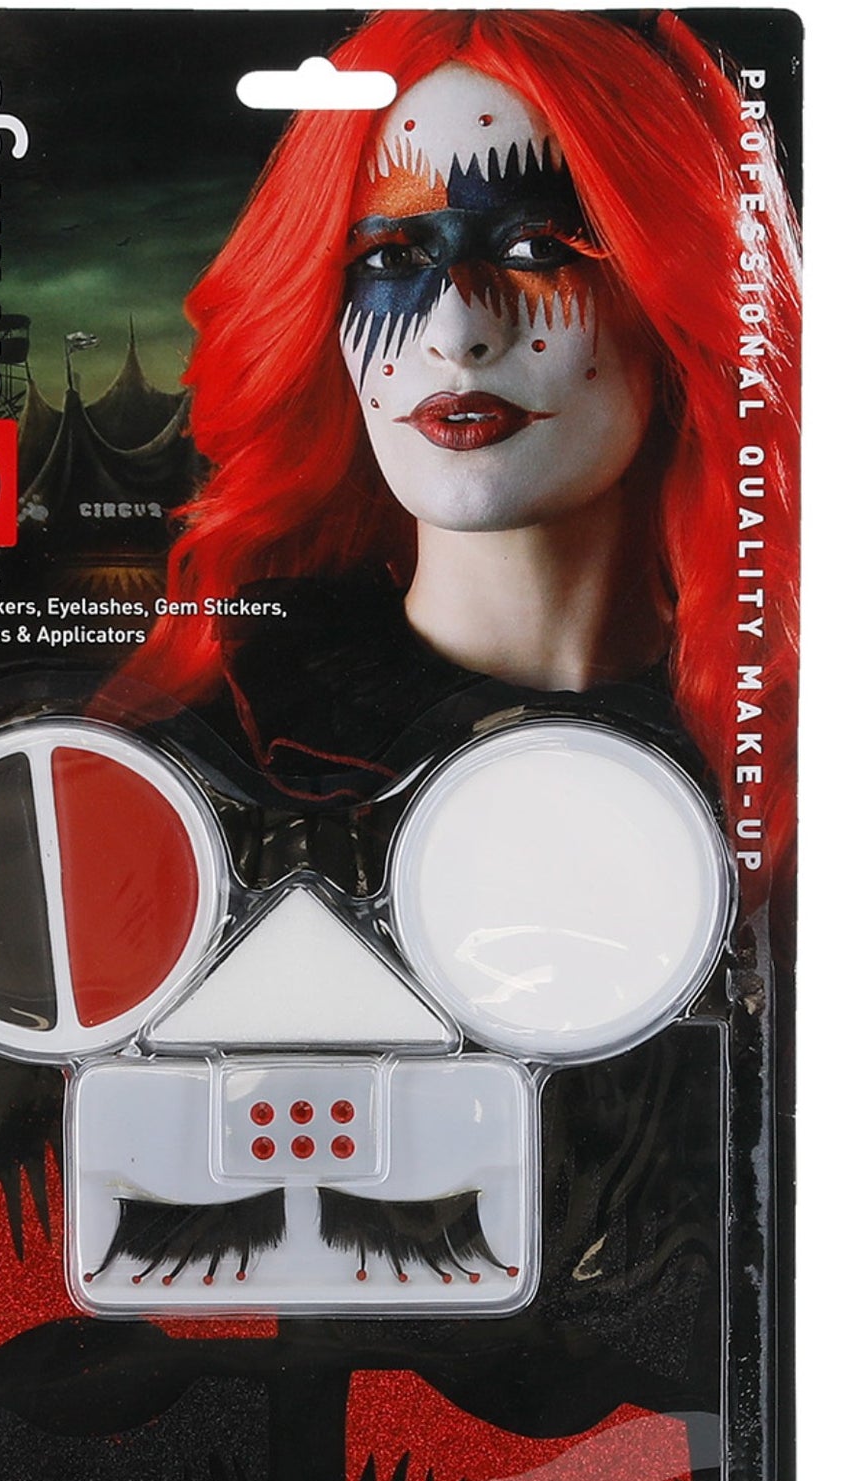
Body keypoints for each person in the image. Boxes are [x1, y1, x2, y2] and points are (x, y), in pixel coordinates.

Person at [97, 8, 800, 905]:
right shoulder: (217, 754)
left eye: (538, 248)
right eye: (391, 258)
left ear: (670, 296)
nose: (457, 330)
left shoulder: (792, 745)